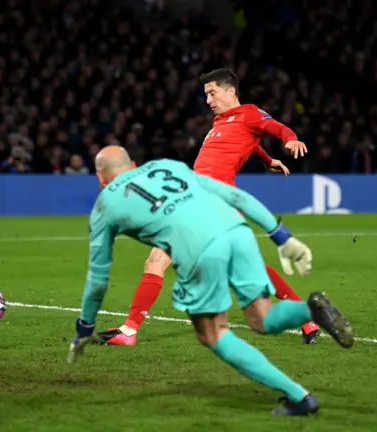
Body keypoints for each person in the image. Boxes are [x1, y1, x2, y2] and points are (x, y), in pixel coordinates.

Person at [67, 146, 353, 416]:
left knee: (212, 334)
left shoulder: (103, 207)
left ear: (100, 178)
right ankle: (310, 311)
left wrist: (85, 327)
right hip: (236, 229)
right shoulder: (166, 166)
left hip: (198, 250)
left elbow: (98, 279)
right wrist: (280, 235)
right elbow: (234, 196)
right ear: (132, 165)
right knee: (262, 318)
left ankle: (300, 396)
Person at [97, 68, 319, 347]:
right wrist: (266, 160)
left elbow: (274, 128)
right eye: (206, 94)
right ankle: (128, 331)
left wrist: (290, 139)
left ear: (230, 91)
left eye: (212, 93)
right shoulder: (220, 121)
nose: (208, 100)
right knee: (156, 260)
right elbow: (247, 143)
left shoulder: (250, 113)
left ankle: (305, 315)